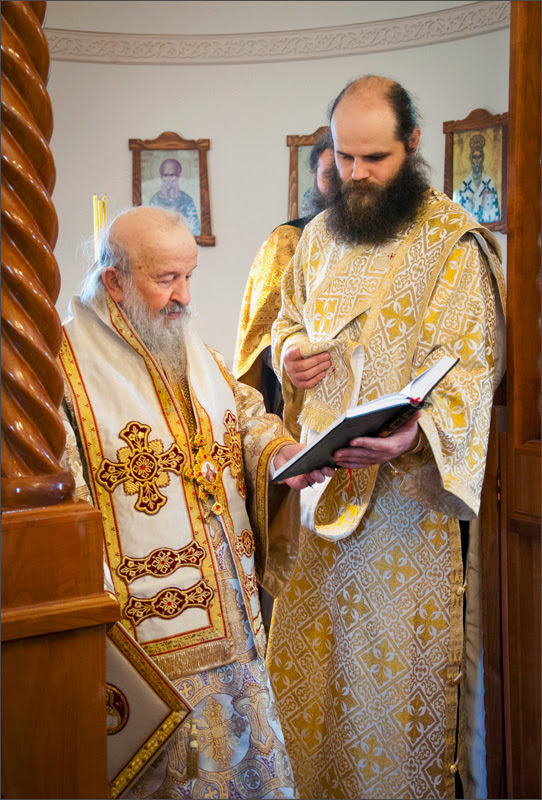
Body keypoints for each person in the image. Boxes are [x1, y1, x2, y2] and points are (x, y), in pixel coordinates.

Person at [266, 75, 506, 800]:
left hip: (406, 517)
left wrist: (413, 436)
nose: (357, 174)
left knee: (385, 693)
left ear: (413, 145)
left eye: (376, 158)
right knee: (311, 683)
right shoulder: (315, 240)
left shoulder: (452, 242)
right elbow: (287, 320)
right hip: (320, 504)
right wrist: (289, 354)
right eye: (345, 157)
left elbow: (472, 365)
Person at [59, 206, 332, 799]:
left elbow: (244, 415)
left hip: (232, 619)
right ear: (115, 281)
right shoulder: (65, 369)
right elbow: (65, 499)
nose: (183, 295)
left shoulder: (190, 348)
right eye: (166, 279)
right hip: (146, 638)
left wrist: (281, 454)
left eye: (189, 276)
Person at [233, 131, 334, 420]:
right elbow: (261, 336)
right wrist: (290, 357)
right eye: (330, 175)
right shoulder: (288, 240)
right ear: (315, 177)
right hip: (306, 394)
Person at [455, 133, 501, 223]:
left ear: (482, 158)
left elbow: (494, 212)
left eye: (479, 157)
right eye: (474, 157)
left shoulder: (489, 182)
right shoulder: (465, 184)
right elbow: (460, 215)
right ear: (471, 159)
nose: (477, 161)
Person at [149, 157, 201, 236]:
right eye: (165, 175)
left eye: (172, 175)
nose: (169, 180)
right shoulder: (154, 200)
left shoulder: (187, 200)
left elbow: (195, 231)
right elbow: (151, 229)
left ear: (178, 177)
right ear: (161, 177)